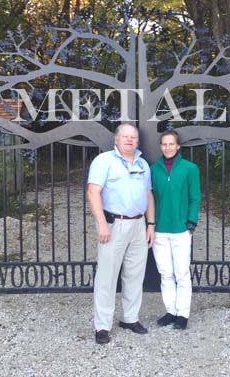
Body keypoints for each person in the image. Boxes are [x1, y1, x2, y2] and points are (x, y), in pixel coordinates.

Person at [87, 123, 156, 345]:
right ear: (116, 140)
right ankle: (102, 326)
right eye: (125, 136)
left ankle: (130, 318)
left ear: (137, 141)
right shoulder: (104, 161)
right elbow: (93, 192)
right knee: (107, 277)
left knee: (135, 275)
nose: (129, 140)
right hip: (114, 224)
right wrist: (102, 224)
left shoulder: (143, 163)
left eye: (133, 137)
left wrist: (150, 224)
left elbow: (149, 195)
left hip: (138, 225)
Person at [150, 130, 201, 330]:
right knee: (166, 273)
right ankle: (170, 310)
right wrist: (150, 224)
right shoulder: (154, 170)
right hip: (161, 230)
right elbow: (150, 198)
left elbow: (195, 197)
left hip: (181, 230)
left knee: (181, 273)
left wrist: (191, 222)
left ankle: (183, 314)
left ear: (178, 146)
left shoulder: (190, 169)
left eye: (171, 144)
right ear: (161, 146)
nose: (168, 147)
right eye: (164, 144)